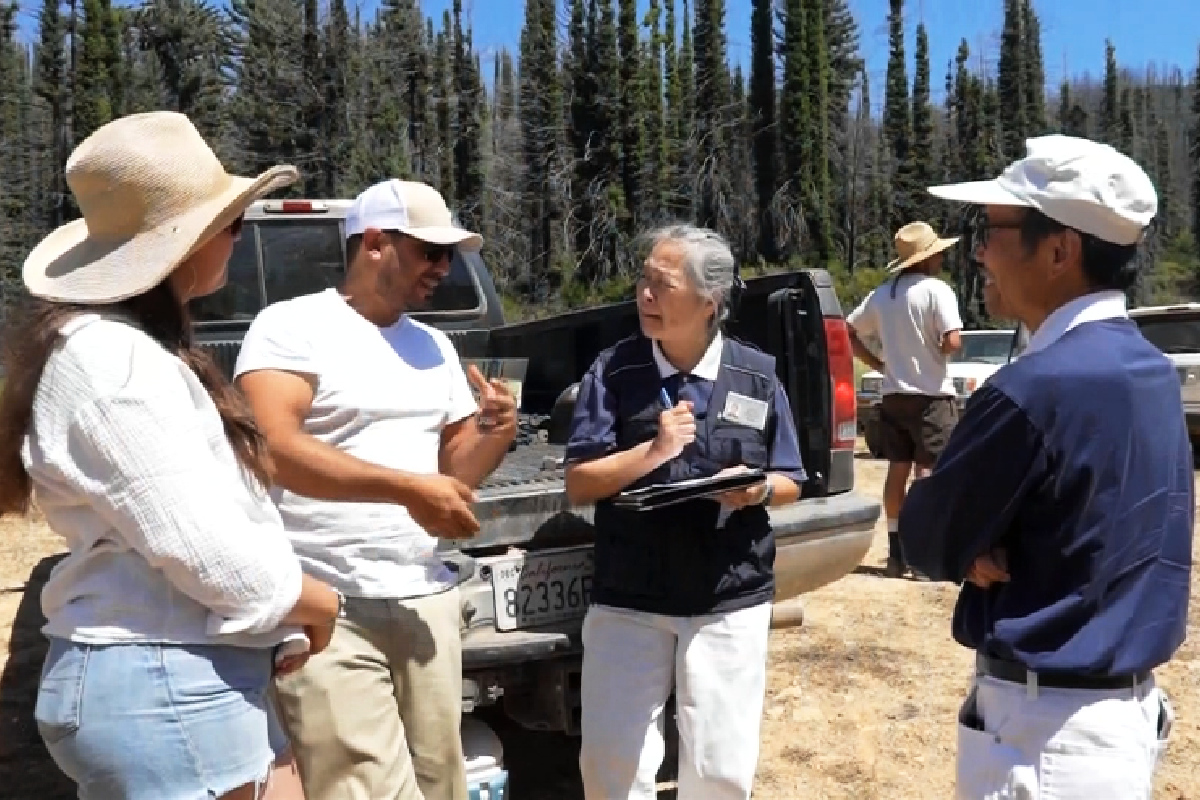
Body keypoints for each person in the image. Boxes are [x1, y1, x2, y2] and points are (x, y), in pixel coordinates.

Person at [0, 111, 344, 800]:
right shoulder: (110, 358)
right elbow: (206, 548)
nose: (239, 238)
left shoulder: (113, 349)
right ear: (187, 244)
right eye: (233, 224)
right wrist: (316, 602)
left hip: (177, 675)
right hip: (162, 679)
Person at [900, 134, 1189, 799]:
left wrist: (968, 536)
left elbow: (928, 536)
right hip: (1118, 724)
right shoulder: (1147, 370)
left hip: (1043, 739)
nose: (978, 251)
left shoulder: (1036, 388)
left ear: (1060, 249)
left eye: (992, 229)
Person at [233, 178, 518, 800]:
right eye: (428, 252)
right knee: (361, 790)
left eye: (449, 256)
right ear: (373, 243)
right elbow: (273, 447)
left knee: (441, 784)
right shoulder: (291, 327)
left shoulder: (433, 346)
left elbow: (454, 480)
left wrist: (498, 429)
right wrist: (405, 490)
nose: (442, 268)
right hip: (331, 602)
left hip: (423, 598)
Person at [564, 224, 807, 800]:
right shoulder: (616, 371)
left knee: (720, 768)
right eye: (643, 281)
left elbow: (790, 478)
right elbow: (579, 482)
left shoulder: (757, 375)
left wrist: (757, 492)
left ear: (709, 301)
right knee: (611, 765)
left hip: (727, 595)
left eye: (661, 284)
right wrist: (650, 453)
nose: (644, 295)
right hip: (630, 597)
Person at [846, 221, 964, 578]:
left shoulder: (884, 294)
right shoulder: (936, 290)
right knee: (927, 473)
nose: (942, 258)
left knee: (897, 470)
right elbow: (952, 341)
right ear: (927, 258)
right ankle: (921, 554)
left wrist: (879, 364)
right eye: (938, 253)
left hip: (894, 393)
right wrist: (939, 351)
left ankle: (896, 552)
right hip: (931, 393)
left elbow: (849, 331)